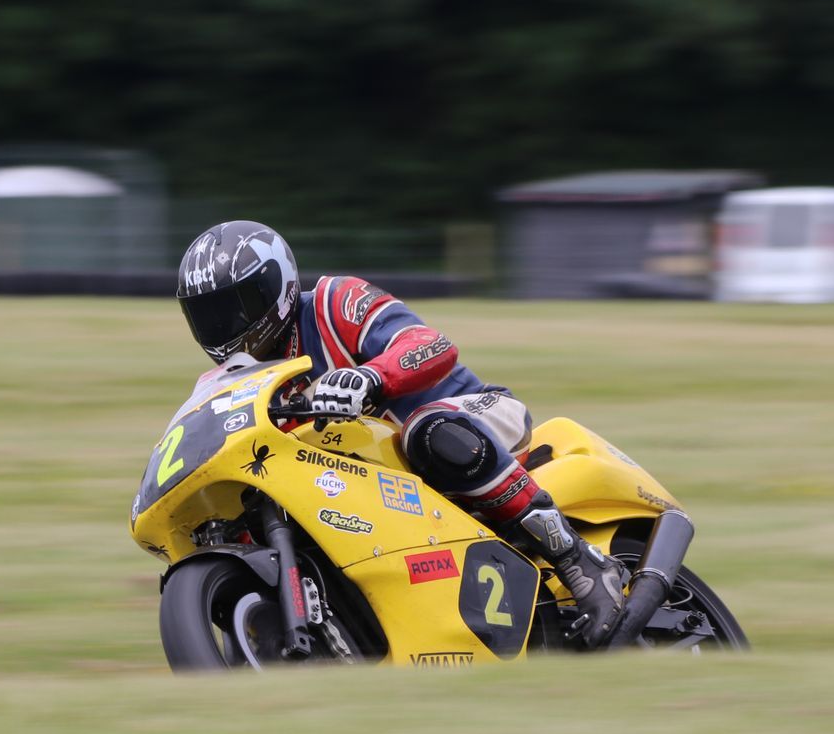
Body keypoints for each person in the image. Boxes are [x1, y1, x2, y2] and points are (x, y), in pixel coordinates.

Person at [174, 219, 627, 646]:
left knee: (425, 432)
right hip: (387, 487)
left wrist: (371, 376)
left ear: (276, 286)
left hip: (474, 416)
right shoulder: (230, 386)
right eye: (207, 316)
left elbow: (431, 345)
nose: (223, 327)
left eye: (235, 307)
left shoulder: (335, 303)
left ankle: (578, 559)